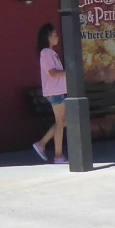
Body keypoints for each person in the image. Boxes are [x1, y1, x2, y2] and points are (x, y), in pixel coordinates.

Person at [32, 22, 67, 165]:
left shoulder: (52, 53)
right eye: (54, 34)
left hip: (58, 90)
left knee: (62, 121)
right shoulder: (46, 53)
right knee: (61, 122)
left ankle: (42, 144)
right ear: (47, 37)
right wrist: (68, 72)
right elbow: (53, 73)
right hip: (55, 91)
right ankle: (58, 155)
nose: (57, 37)